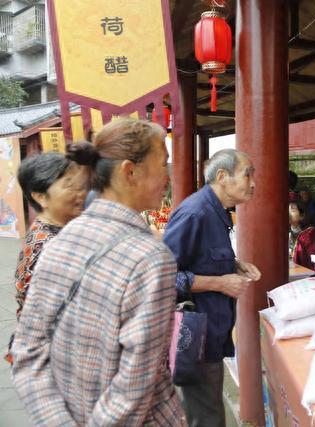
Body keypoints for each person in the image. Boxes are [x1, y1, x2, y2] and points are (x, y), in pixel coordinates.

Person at [11, 118, 186, 425]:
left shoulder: (61, 238)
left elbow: (26, 353)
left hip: (70, 409)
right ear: (130, 171)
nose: (167, 177)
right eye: (164, 163)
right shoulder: (150, 259)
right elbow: (132, 394)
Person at [163, 148, 261, 427]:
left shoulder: (216, 211)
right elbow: (163, 277)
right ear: (222, 176)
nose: (253, 183)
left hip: (211, 335)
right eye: (247, 175)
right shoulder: (195, 213)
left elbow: (201, 259)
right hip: (195, 337)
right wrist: (220, 282)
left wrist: (234, 264)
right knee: (207, 418)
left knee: (208, 411)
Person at [5, 153, 88, 364]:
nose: (82, 193)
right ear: (40, 197)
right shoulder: (48, 245)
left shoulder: (62, 231)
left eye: (81, 185)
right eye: (70, 187)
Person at [289, 198, 315, 271]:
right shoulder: (282, 232)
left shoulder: (310, 234)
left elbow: (312, 262)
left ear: (302, 215)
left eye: (292, 210)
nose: (288, 213)